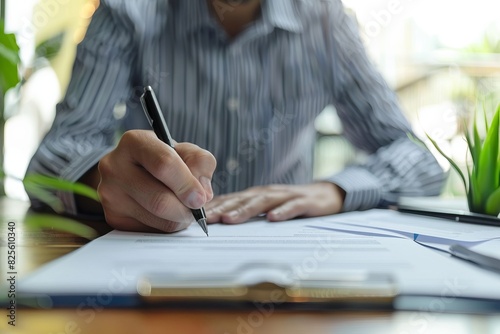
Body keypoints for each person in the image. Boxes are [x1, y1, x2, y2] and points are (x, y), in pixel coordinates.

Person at [26, 0, 445, 233]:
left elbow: (415, 157)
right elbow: (51, 161)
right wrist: (102, 182)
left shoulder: (325, 21)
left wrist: (337, 190)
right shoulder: (127, 12)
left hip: (285, 282)